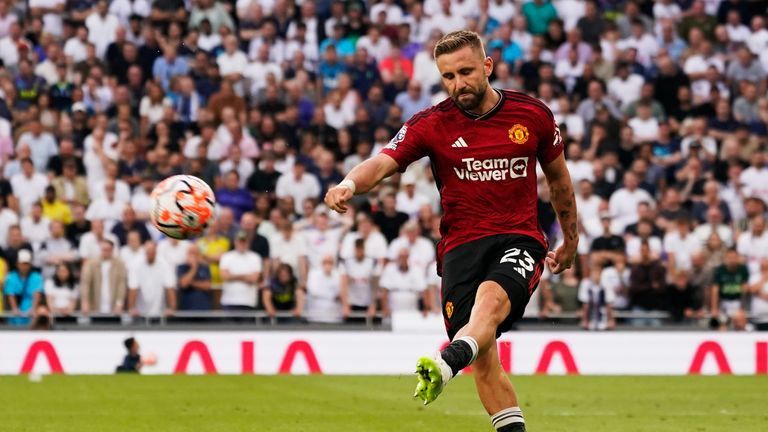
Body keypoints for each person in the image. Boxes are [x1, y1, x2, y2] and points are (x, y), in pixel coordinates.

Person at [324, 30, 577, 428]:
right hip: (460, 249)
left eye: (466, 72)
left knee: (490, 301)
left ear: (487, 66)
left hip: (519, 238)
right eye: (448, 76)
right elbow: (383, 161)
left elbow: (560, 181)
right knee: (486, 358)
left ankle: (448, 361)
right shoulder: (432, 124)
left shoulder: (532, 115)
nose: (459, 84)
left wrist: (570, 242)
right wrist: (348, 184)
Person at [3, 249, 44, 326]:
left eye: (26, 264)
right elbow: (10, 294)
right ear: (17, 264)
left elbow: (37, 294)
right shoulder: (11, 277)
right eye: (22, 263)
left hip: (31, 313)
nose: (24, 266)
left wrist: (33, 308)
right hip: (16, 313)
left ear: (30, 264)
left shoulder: (36, 277)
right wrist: (15, 309)